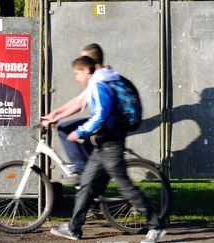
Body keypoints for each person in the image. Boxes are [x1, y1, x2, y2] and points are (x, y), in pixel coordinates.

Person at [49, 56, 166, 243]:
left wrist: (79, 132)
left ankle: (156, 226)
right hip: (102, 145)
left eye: (77, 73)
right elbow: (83, 105)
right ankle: (74, 228)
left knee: (126, 188)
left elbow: (101, 115)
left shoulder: (100, 84)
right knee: (86, 185)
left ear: (87, 70)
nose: (76, 78)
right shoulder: (102, 81)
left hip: (111, 145)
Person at [42, 43, 111, 181]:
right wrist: (55, 114)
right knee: (85, 145)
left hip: (104, 122)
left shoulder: (99, 79)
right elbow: (79, 100)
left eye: (82, 58)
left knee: (64, 129)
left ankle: (82, 171)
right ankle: (90, 174)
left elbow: (80, 103)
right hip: (104, 121)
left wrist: (58, 117)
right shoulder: (101, 75)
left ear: (89, 63)